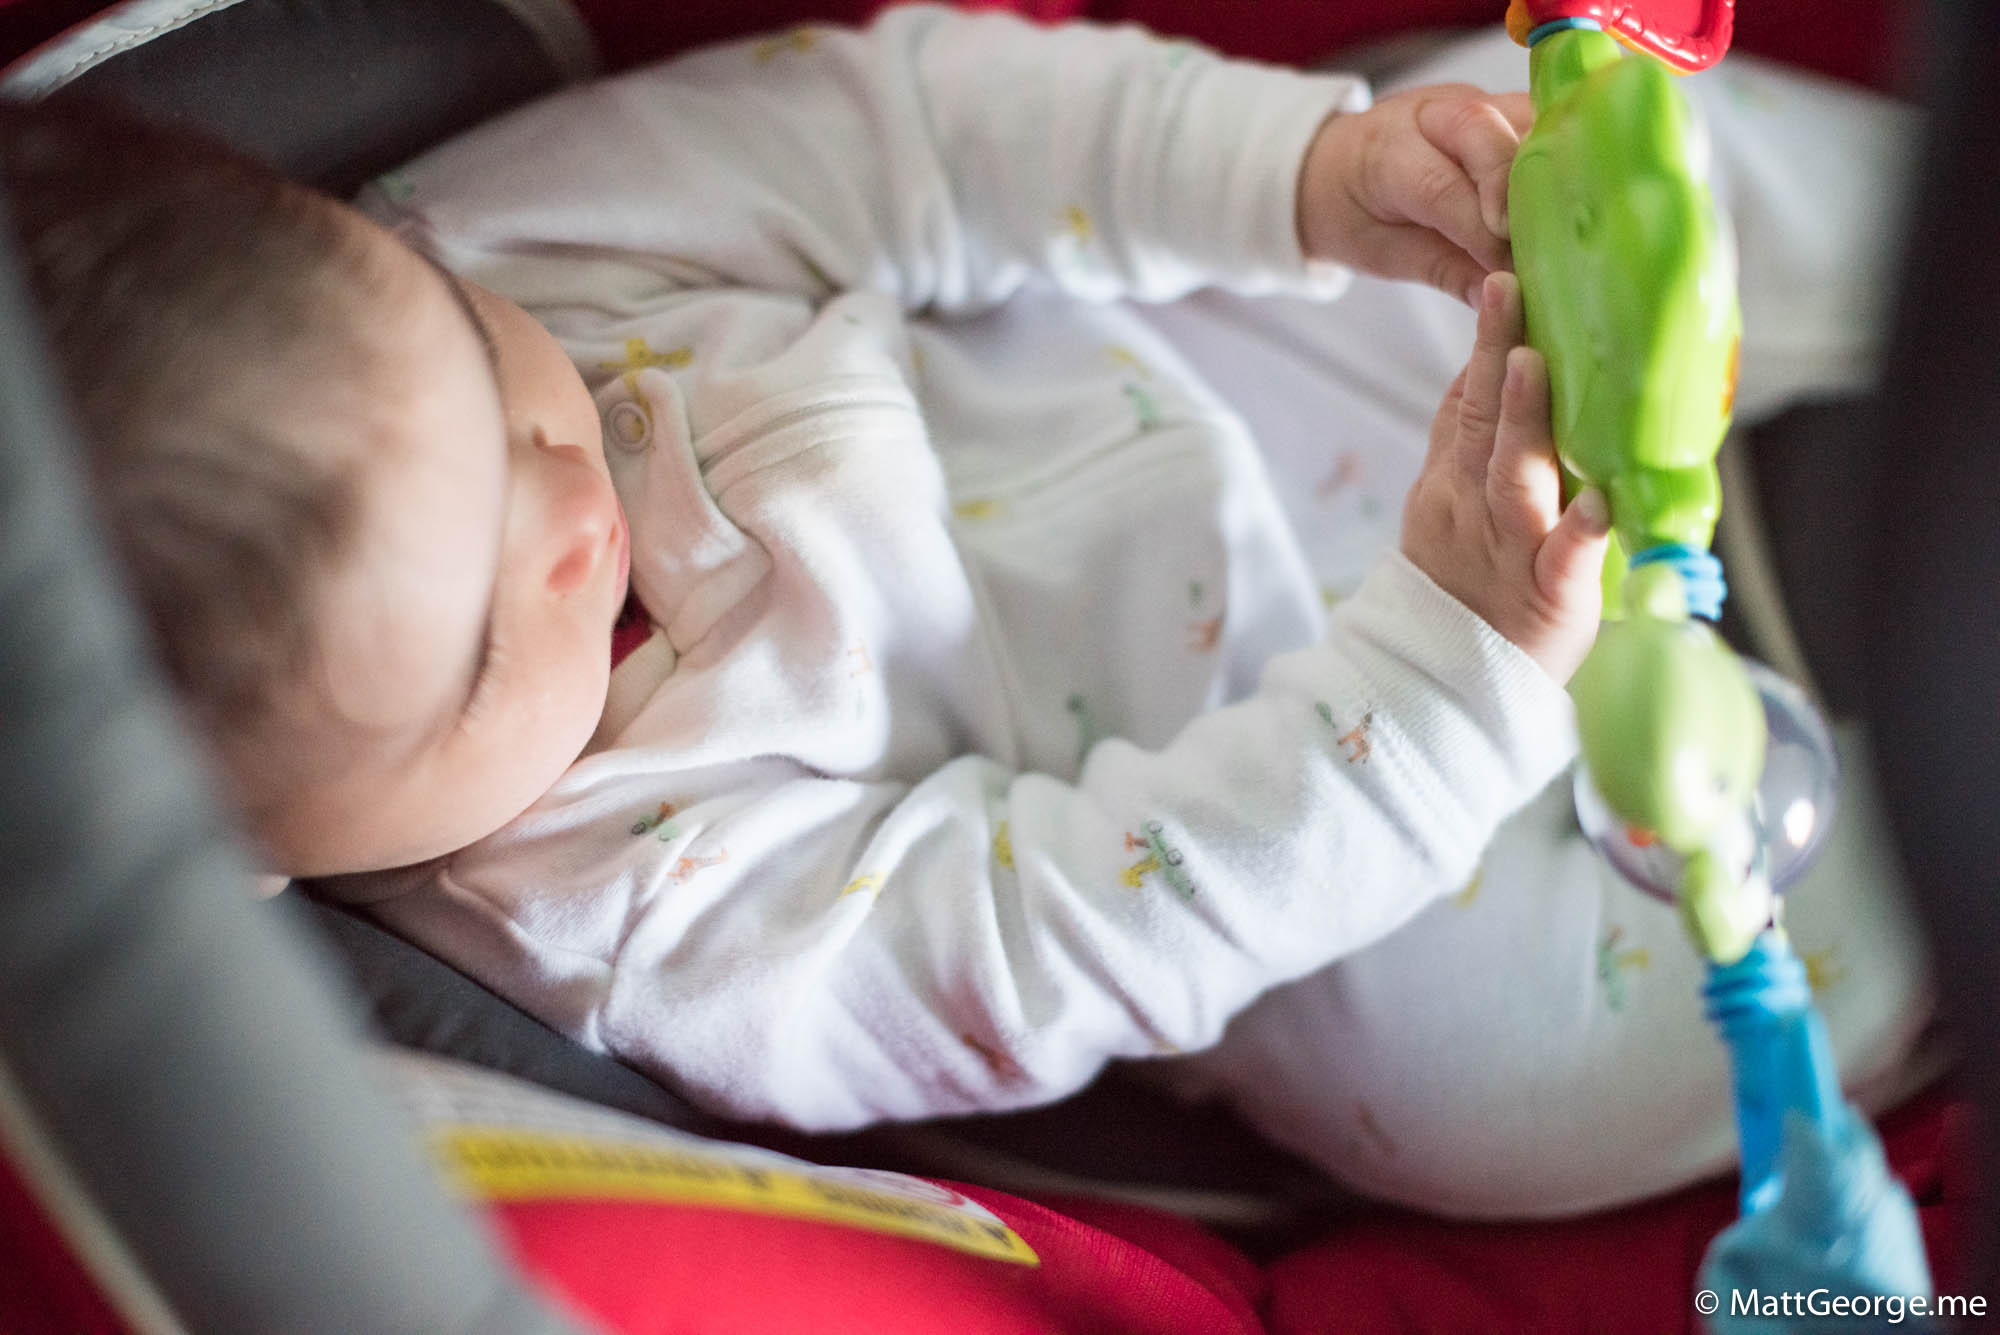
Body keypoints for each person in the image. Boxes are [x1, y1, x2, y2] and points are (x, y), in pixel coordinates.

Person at [5, 6, 1936, 1219]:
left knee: (1503, 149)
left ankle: (1954, 253)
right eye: (492, 655)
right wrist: (1448, 665)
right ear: (224, 856)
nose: (584, 520)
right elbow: (1048, 932)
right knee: (1498, 1099)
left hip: (1201, 338)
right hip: (1292, 818)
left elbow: (911, 134)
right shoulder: (628, 917)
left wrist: (1309, 181)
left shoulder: (505, 228)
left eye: (502, 390)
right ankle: (1944, 867)